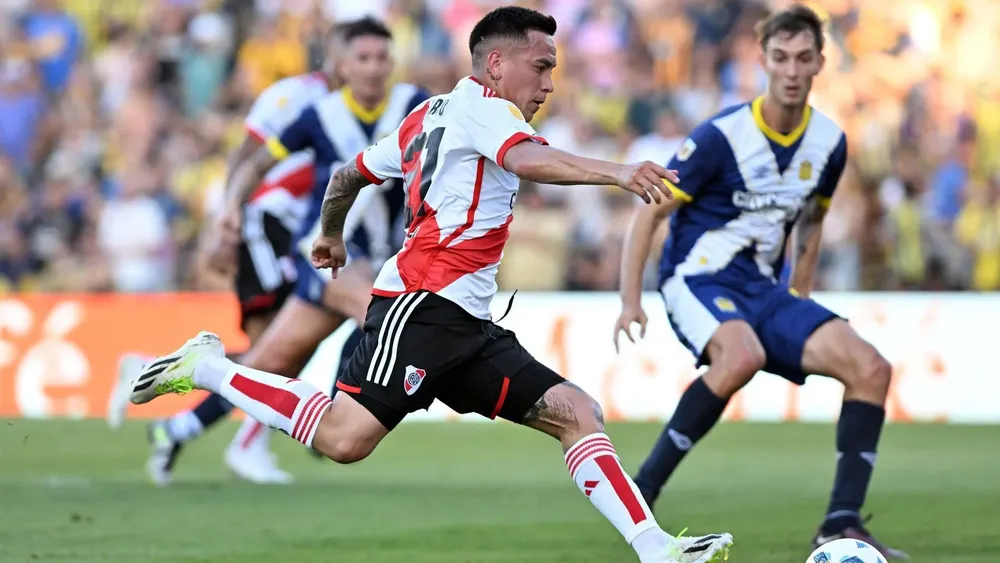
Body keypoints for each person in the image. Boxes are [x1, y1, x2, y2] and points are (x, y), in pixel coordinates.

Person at [127, 7, 733, 563]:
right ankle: (210, 368)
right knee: (343, 438)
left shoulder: (426, 114)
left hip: (465, 322)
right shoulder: (489, 111)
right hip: (420, 306)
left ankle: (655, 548)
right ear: (496, 64)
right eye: (541, 66)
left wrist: (332, 234)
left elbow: (346, 176)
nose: (549, 83)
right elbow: (525, 161)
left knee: (576, 412)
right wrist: (620, 171)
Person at [612, 6, 906, 560]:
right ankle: (641, 491)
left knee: (871, 368)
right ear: (763, 62)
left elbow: (812, 220)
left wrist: (801, 295)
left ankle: (840, 524)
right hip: (697, 278)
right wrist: (630, 300)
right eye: (780, 58)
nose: (791, 70)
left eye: (802, 58)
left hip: (765, 291)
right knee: (741, 354)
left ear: (819, 62)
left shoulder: (829, 142)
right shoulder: (721, 136)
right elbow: (649, 210)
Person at [105, 27, 343, 485]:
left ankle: (160, 391)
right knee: (277, 347)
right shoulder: (295, 95)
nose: (369, 69)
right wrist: (225, 223)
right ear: (334, 57)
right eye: (357, 56)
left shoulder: (369, 106)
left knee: (278, 347)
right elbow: (246, 155)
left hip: (299, 231)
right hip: (268, 222)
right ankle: (242, 444)